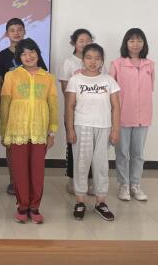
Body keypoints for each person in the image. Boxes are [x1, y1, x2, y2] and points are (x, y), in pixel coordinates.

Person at [0, 38, 58, 224]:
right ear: (19, 57)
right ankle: (22, 206)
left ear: (38, 54)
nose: (28, 56)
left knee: (37, 171)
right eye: (23, 53)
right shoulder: (11, 76)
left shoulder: (48, 77)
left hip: (39, 131)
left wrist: (52, 132)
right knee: (20, 170)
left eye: (31, 52)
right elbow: (5, 105)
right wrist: (4, 131)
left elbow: (53, 105)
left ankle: (35, 207)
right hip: (17, 130)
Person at [65, 43, 120, 221]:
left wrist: (116, 130)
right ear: (83, 59)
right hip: (82, 126)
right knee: (81, 164)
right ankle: (80, 201)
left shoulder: (108, 80)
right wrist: (70, 129)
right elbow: (69, 106)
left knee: (101, 165)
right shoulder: (76, 80)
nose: (93, 62)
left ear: (102, 61)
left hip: (104, 127)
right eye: (89, 57)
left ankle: (100, 202)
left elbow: (116, 107)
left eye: (97, 58)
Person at [109, 28, 155, 202]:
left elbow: (150, 89)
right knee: (122, 153)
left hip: (143, 116)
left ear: (144, 43)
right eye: (132, 40)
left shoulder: (149, 65)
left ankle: (135, 184)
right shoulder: (117, 64)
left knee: (138, 153)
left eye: (139, 40)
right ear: (126, 43)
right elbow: (110, 91)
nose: (136, 44)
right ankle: (124, 185)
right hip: (122, 116)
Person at [58, 29, 95, 195]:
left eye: (88, 40)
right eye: (81, 40)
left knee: (92, 148)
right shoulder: (69, 62)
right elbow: (65, 89)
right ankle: (73, 180)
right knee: (74, 146)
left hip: (93, 112)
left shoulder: (97, 61)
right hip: (74, 111)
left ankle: (90, 181)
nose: (85, 44)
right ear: (74, 43)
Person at [0, 18, 26, 196]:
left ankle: (25, 180)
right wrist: (1, 105)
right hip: (10, 106)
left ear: (24, 31)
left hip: (30, 107)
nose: (16, 33)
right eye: (12, 30)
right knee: (11, 144)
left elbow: (43, 76)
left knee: (28, 144)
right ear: (7, 34)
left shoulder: (32, 53)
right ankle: (13, 181)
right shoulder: (2, 56)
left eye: (19, 29)